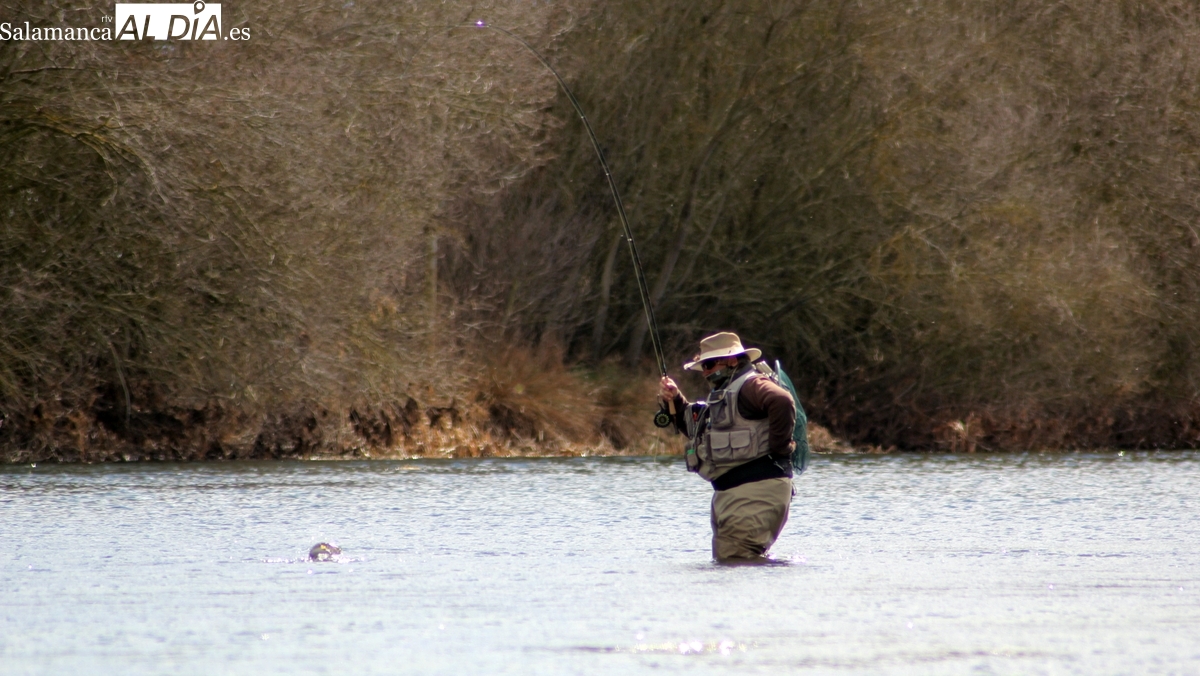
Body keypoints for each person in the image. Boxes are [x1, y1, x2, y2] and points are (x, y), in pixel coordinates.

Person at [659, 332, 796, 562]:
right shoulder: (725, 393)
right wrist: (675, 400)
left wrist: (780, 448)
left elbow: (781, 401)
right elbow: (699, 431)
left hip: (753, 494)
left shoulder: (752, 384)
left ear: (732, 361)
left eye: (710, 364)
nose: (705, 372)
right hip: (735, 496)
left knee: (736, 561)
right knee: (734, 563)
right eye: (703, 366)